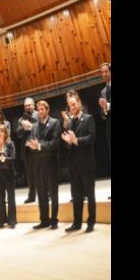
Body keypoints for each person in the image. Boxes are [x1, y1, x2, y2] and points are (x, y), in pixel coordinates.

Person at [63, 92, 97, 233]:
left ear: (79, 103)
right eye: (70, 105)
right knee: (76, 196)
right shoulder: (70, 123)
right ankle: (77, 223)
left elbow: (91, 137)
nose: (72, 107)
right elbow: (69, 144)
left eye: (74, 104)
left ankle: (91, 222)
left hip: (87, 163)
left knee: (90, 194)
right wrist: (68, 143)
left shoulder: (88, 119)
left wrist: (77, 141)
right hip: (74, 165)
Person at [26, 101, 62, 230]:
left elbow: (55, 143)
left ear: (47, 110)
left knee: (53, 192)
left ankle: (54, 220)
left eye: (42, 109)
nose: (40, 111)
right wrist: (31, 145)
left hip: (51, 162)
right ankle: (44, 220)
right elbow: (31, 141)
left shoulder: (55, 122)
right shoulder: (34, 126)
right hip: (38, 163)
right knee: (41, 193)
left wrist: (39, 145)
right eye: (38, 109)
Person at [0, 125, 17, 229]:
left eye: (1, 131)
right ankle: (2, 220)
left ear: (5, 133)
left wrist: (3, 158)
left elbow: (14, 157)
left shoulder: (10, 143)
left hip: (9, 173)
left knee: (11, 197)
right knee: (1, 197)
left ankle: (12, 221)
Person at [15, 99, 38, 203]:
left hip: (39, 148)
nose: (28, 107)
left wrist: (32, 126)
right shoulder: (21, 119)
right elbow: (18, 134)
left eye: (30, 105)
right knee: (30, 174)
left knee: (42, 173)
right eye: (26, 106)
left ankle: (48, 194)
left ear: (34, 105)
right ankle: (32, 196)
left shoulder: (39, 114)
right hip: (28, 150)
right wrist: (24, 127)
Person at [98, 62, 111, 200]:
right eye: (102, 72)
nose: (104, 74)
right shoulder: (103, 91)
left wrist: (107, 105)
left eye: (106, 71)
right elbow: (103, 113)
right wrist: (105, 110)